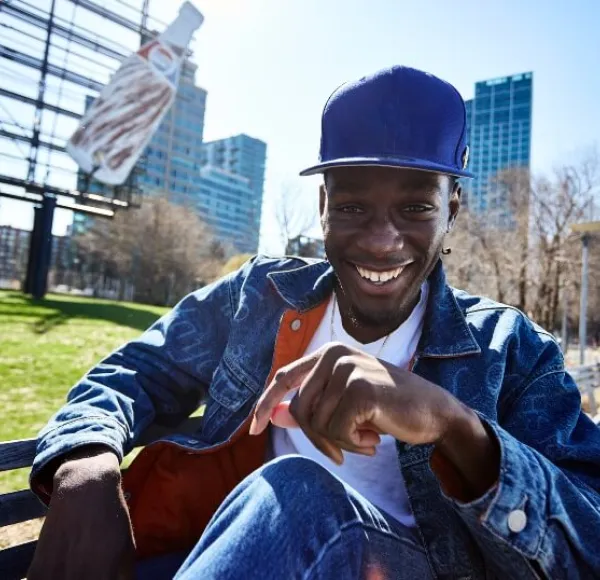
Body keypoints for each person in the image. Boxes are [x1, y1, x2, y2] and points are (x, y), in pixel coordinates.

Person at [28, 66, 600, 580]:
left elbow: (589, 541)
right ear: (322, 204)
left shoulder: (515, 350)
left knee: (298, 490)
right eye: (352, 206)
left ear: (451, 210)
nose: (381, 242)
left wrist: (453, 424)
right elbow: (137, 368)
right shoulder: (260, 295)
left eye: (416, 207)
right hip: (256, 558)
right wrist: (85, 462)